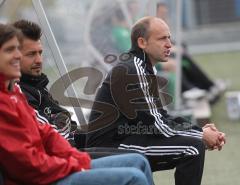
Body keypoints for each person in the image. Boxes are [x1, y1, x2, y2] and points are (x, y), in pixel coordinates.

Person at [0, 23, 154, 185]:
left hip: (57, 162)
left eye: (18, 49)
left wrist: (77, 159)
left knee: (138, 161)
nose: (17, 55)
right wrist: (73, 164)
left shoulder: (14, 92)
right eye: (11, 50)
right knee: (134, 176)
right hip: (41, 176)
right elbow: (28, 165)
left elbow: (47, 133)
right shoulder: (7, 99)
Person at [88, 16, 226, 185]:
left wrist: (198, 131)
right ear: (142, 42)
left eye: (169, 38)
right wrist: (201, 134)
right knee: (192, 147)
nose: (169, 44)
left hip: (127, 139)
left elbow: (160, 117)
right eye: (162, 38)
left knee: (193, 144)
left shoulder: (141, 67)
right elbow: (158, 125)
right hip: (110, 146)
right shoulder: (132, 69)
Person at [13, 19, 78, 146]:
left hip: (69, 152)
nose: (39, 60)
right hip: (62, 157)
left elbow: (69, 125)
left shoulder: (38, 86)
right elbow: (54, 138)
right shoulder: (18, 92)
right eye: (31, 54)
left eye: (40, 53)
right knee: (128, 161)